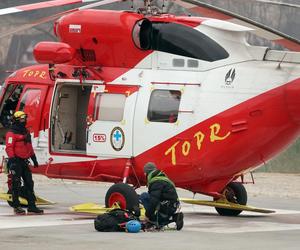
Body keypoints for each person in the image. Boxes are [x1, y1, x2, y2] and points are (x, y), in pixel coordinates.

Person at [5, 111, 43, 215]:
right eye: (22, 119)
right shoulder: (11, 133)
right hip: (15, 162)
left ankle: (31, 206)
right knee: (16, 184)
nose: (24, 120)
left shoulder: (25, 132)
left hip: (24, 162)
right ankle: (16, 206)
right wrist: (12, 161)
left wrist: (34, 158)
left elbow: (29, 146)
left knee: (29, 183)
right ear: (17, 120)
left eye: (25, 118)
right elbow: (9, 148)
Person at [140, 162, 184, 230]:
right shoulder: (164, 178)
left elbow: (153, 201)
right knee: (160, 221)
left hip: (165, 207)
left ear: (147, 173)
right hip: (172, 207)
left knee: (144, 196)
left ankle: (152, 220)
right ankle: (175, 217)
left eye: (145, 173)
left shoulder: (156, 182)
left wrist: (147, 216)